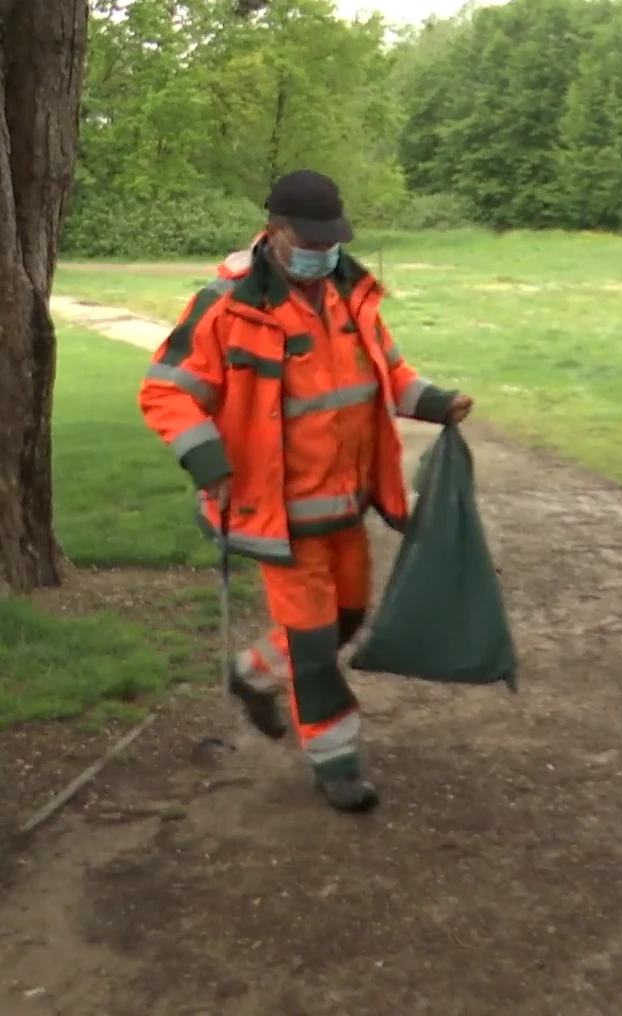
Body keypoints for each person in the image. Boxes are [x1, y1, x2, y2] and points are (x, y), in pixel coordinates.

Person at [138, 170, 473, 813]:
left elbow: (389, 375)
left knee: (346, 619)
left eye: (331, 239)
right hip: (277, 516)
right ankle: (336, 761)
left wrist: (436, 403)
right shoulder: (226, 306)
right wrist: (206, 456)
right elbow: (167, 390)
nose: (323, 251)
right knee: (316, 643)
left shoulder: (354, 296)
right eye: (310, 239)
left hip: (345, 507)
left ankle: (254, 673)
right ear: (278, 231)